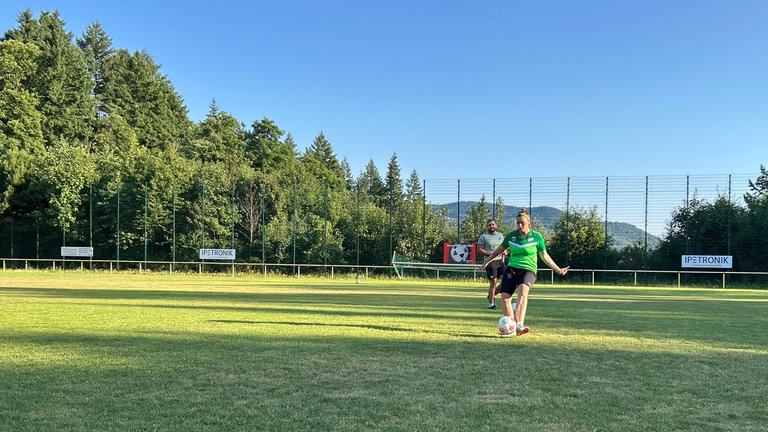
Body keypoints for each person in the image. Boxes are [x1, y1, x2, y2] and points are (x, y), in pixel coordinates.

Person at [480, 208, 569, 336]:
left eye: (522, 222)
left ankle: (519, 325)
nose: (520, 225)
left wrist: (558, 269)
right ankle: (511, 328)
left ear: (529, 222)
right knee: (505, 297)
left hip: (528, 269)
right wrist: (486, 262)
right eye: (518, 223)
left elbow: (544, 256)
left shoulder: (537, 237)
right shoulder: (511, 236)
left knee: (523, 291)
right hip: (512, 268)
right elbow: (498, 251)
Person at [477, 219, 505, 309]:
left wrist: (505, 251)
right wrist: (491, 254)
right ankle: (491, 304)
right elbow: (479, 249)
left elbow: (503, 247)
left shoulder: (500, 235)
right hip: (490, 262)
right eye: (489, 225)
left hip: (500, 261)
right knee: (493, 283)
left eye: (493, 224)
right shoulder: (484, 236)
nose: (491, 226)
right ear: (487, 227)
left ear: (496, 226)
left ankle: (491, 295)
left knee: (507, 281)